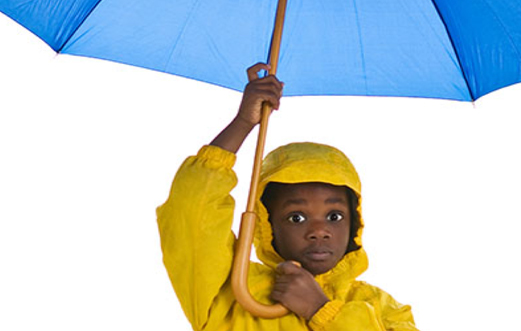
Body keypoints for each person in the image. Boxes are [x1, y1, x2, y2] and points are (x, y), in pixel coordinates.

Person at [157, 63, 418, 331]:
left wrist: (321, 311)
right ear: (267, 226)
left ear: (354, 224)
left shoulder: (383, 309)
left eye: (334, 216)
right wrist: (244, 123)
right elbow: (190, 213)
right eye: (296, 217)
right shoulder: (233, 291)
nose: (319, 231)